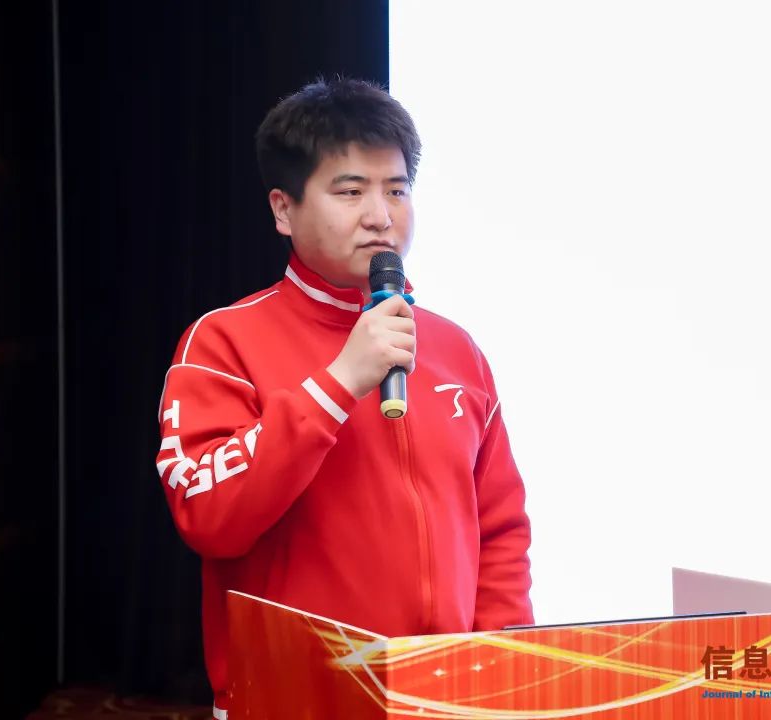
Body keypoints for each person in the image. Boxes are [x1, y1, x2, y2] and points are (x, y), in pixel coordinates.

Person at [155, 78, 533, 717]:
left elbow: (500, 531)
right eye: (351, 191)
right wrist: (339, 383)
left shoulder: (456, 349)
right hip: (289, 700)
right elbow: (208, 515)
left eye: (397, 190)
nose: (381, 215)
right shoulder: (222, 343)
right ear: (283, 210)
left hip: (443, 696)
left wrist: (500, 672)